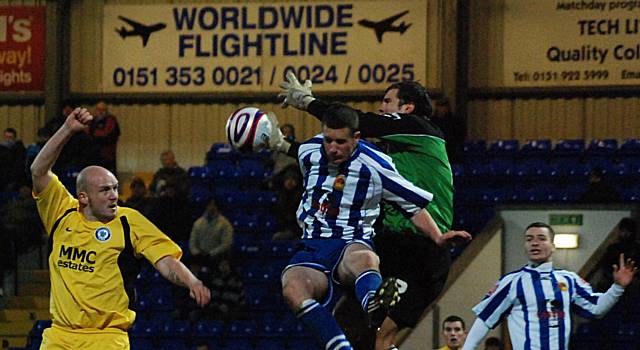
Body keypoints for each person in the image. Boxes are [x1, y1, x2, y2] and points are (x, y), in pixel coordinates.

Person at [279, 72, 463, 350]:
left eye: (388, 101)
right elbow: (334, 151)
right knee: (352, 324)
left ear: (407, 107)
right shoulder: (386, 150)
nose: (381, 107)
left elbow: (357, 122)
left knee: (383, 334)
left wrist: (308, 102)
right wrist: (281, 144)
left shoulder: (419, 129)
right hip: (391, 242)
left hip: (423, 247)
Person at [30, 107, 210, 350]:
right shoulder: (61, 211)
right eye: (105, 190)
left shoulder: (128, 221)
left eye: (115, 188)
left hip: (107, 338)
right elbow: (38, 171)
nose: (114, 196)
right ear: (83, 197)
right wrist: (67, 129)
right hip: (60, 337)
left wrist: (192, 281)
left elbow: (165, 260)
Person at [461, 222, 637, 350]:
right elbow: (484, 320)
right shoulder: (511, 282)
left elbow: (597, 308)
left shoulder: (569, 280)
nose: (534, 243)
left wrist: (617, 287)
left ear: (553, 246)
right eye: (529, 239)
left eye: (541, 238)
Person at [188, 198, 234, 269]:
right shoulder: (198, 223)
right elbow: (192, 242)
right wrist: (196, 253)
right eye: (209, 205)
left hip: (217, 256)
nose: (211, 207)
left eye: (213, 205)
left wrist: (211, 253)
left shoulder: (225, 224)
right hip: (200, 255)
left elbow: (226, 244)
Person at [88, 101, 121, 174]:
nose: (100, 112)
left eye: (103, 110)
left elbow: (106, 134)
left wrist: (95, 134)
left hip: (106, 156)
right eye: (98, 109)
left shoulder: (111, 120)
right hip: (93, 156)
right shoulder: (92, 121)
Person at [0, 127, 27, 191]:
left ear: (14, 138)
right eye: (6, 137)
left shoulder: (19, 150)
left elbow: (19, 166)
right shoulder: (2, 149)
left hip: (13, 181)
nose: (8, 140)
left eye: (10, 137)